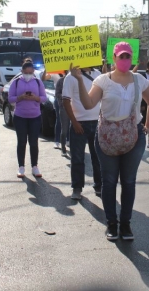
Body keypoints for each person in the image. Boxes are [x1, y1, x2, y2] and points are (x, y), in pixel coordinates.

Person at [70, 42, 149, 241]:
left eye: (128, 57)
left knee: (128, 181)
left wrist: (148, 126)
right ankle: (111, 223)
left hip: (133, 136)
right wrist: (77, 79)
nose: (125, 60)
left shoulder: (139, 80)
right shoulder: (103, 81)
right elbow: (89, 103)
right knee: (109, 182)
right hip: (107, 136)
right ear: (114, 58)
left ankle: (125, 224)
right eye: (121, 56)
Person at [63, 64, 102, 200]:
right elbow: (66, 101)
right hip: (79, 124)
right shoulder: (71, 77)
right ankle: (77, 188)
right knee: (77, 158)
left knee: (98, 157)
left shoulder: (98, 74)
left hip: (97, 122)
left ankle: (99, 186)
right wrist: (74, 122)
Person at [8, 61, 47, 178]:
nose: (28, 75)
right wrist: (20, 97)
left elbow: (44, 98)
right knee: (21, 142)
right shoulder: (15, 82)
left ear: (33, 72)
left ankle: (35, 166)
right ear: (22, 71)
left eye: (30, 72)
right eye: (26, 73)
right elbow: (10, 98)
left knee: (33, 142)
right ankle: (21, 167)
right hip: (20, 117)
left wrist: (36, 98)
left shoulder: (38, 82)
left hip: (35, 116)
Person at [55, 71, 70, 156]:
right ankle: (63, 148)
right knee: (64, 128)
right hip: (64, 107)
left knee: (74, 128)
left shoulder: (76, 80)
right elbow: (57, 94)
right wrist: (65, 96)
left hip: (75, 107)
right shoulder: (60, 81)